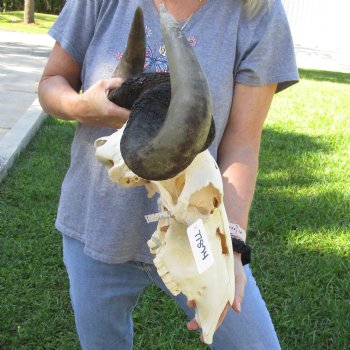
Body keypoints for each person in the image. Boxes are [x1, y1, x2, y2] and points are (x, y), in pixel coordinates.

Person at [38, 0, 298, 349]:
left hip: (197, 227)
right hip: (97, 227)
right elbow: (52, 82)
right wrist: (82, 106)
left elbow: (242, 146)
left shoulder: (257, 12)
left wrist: (231, 245)